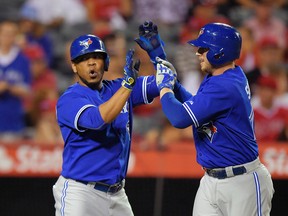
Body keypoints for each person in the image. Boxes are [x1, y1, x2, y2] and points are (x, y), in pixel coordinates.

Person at [136, 21, 274, 215]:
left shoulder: (225, 86)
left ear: (219, 52)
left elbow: (179, 118)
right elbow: (197, 106)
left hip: (243, 182)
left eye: (203, 48)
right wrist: (159, 59)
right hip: (211, 180)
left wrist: (165, 87)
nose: (197, 53)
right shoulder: (222, 76)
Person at [52, 33, 160, 215]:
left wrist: (158, 55)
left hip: (117, 193)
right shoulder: (69, 99)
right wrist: (128, 86)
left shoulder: (119, 88)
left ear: (106, 62)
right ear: (74, 66)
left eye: (96, 57)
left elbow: (164, 82)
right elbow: (97, 120)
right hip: (80, 193)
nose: (91, 63)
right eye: (84, 59)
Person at [0, 20, 31, 141]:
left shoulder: (22, 60)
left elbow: (27, 90)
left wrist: (8, 87)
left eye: (11, 34)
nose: (8, 37)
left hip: (12, 120)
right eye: (5, 33)